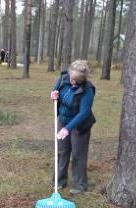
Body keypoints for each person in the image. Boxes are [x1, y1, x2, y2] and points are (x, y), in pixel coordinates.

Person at [50, 60, 95, 195]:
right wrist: (53, 94)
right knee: (62, 151)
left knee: (78, 154)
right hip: (63, 120)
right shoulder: (64, 78)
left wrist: (67, 129)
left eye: (76, 80)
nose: (73, 81)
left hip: (80, 125)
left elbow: (84, 113)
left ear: (82, 80)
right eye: (72, 78)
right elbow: (55, 90)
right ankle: (59, 181)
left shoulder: (88, 90)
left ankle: (80, 185)